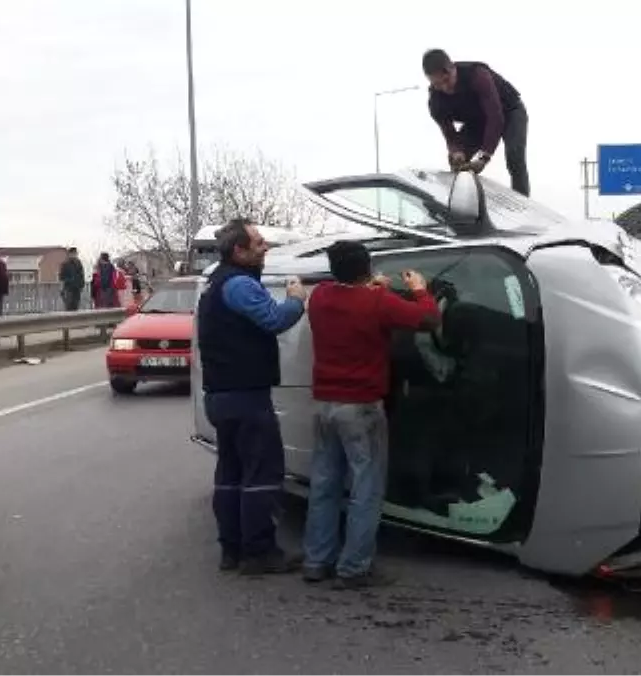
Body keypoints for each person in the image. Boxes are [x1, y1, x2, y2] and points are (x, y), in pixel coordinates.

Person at [302, 240, 440, 590]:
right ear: (367, 268)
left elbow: (350, 298)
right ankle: (353, 568)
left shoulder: (319, 297)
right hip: (361, 407)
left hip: (324, 405)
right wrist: (420, 290)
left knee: (324, 485)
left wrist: (370, 287)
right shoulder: (377, 302)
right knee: (366, 486)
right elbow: (428, 318)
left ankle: (316, 561)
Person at [197, 217, 308, 576]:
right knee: (262, 474)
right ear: (238, 250)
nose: (266, 248)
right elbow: (274, 320)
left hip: (221, 395)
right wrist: (296, 300)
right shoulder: (241, 285)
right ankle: (259, 552)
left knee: (231, 474)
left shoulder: (217, 283)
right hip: (246, 396)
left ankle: (232, 549)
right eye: (259, 243)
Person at [423, 48, 530, 197]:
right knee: (456, 161)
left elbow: (495, 117)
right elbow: (449, 134)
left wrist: (484, 157)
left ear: (453, 68)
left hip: (510, 111)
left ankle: (522, 201)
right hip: (478, 121)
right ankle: (463, 203)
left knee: (514, 155)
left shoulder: (477, 76)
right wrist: (457, 151)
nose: (445, 88)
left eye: (447, 80)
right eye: (437, 84)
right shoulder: (436, 102)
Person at [58, 247, 84, 311]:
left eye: (75, 253)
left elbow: (81, 275)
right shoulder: (65, 264)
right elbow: (61, 277)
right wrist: (62, 287)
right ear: (69, 254)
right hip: (68, 288)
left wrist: (81, 285)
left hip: (77, 288)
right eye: (73, 253)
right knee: (69, 306)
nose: (74, 255)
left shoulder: (78, 263)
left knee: (76, 305)